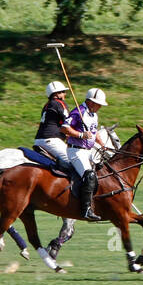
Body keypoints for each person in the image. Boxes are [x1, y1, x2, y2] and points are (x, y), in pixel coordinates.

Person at [66, 87, 111, 221]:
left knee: (107, 166)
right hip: (76, 151)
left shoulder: (93, 115)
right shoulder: (79, 112)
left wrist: (103, 145)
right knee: (89, 176)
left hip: (89, 150)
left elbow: (94, 132)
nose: (100, 107)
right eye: (99, 104)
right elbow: (64, 128)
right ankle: (86, 210)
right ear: (90, 102)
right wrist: (80, 134)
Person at [34, 81, 72, 167]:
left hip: (38, 141)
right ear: (56, 94)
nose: (64, 94)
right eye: (62, 92)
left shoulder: (46, 105)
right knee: (74, 161)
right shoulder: (59, 103)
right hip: (51, 140)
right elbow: (68, 122)